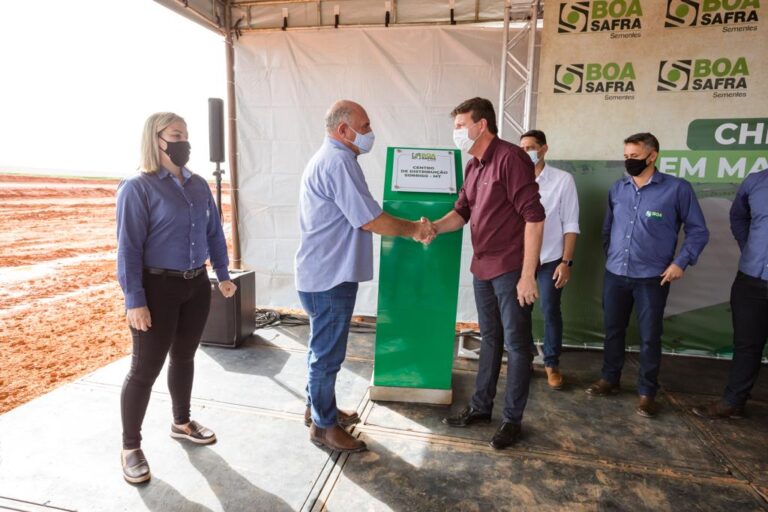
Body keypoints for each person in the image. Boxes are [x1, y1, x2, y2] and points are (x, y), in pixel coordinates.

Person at [295, 99, 435, 453]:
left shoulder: (331, 158)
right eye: (366, 125)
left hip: (322, 272)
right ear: (343, 130)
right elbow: (370, 219)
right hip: (330, 277)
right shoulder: (339, 161)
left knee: (320, 350)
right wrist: (414, 230)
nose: (370, 132)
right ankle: (324, 428)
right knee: (327, 357)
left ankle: (319, 409)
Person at [116, 112, 237, 484]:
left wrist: (222, 274)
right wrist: (134, 300)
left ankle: (181, 422)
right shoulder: (138, 187)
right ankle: (130, 446)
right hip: (157, 289)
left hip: (195, 285)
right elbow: (128, 249)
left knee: (184, 356)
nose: (184, 141)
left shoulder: (199, 185)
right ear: (157, 140)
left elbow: (214, 232)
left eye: (186, 134)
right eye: (176, 134)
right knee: (144, 369)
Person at [437, 97, 545, 450]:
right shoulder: (473, 166)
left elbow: (534, 217)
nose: (456, 133)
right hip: (483, 268)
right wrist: (431, 229)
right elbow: (460, 214)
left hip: (511, 270)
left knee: (517, 346)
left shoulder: (510, 159)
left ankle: (512, 420)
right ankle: (481, 407)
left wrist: (528, 275)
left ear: (481, 125)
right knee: (490, 340)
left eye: (460, 126)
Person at [587, 132, 709, 418]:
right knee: (613, 329)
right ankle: (610, 379)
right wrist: (613, 255)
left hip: (652, 278)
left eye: (635, 156)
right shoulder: (618, 188)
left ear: (652, 156)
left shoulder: (677, 189)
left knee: (650, 336)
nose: (629, 161)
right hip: (616, 273)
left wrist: (681, 262)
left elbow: (698, 231)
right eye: (626, 156)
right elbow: (608, 228)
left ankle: (646, 393)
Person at [693, 168, 768, 419]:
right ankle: (733, 402)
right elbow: (738, 217)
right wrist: (751, 248)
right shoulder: (756, 181)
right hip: (751, 279)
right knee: (747, 344)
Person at [519, 130, 580, 390]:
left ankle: (551, 364)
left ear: (544, 149)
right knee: (519, 312)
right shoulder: (514, 179)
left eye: (531, 147)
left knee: (550, 311)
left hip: (551, 260)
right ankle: (524, 360)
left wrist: (565, 262)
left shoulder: (563, 180)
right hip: (520, 261)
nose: (526, 153)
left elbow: (571, 223)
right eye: (521, 148)